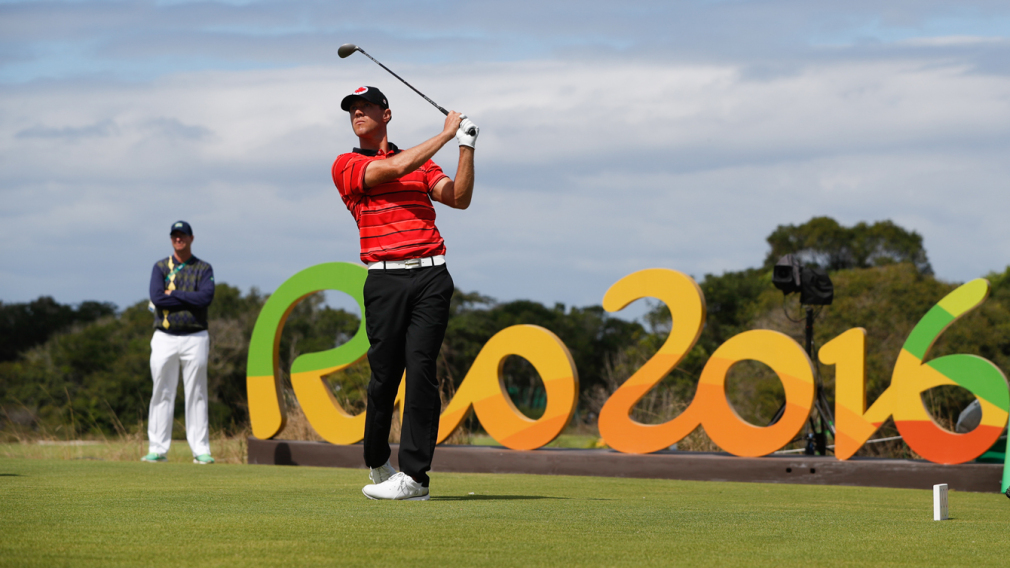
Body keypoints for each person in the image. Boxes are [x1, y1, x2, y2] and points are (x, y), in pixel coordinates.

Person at [331, 86, 478, 500]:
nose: (358, 113)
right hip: (384, 280)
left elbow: (458, 198)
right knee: (383, 380)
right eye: (352, 110)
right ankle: (378, 460)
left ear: (387, 114)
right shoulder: (346, 164)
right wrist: (446, 134)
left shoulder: (424, 164)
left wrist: (465, 147)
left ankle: (415, 478)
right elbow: (389, 171)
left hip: (432, 276)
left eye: (367, 107)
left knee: (421, 373)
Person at [142, 220, 216, 464]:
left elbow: (205, 298)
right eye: (175, 235)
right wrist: (187, 299)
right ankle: (157, 448)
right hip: (164, 336)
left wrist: (173, 294)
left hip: (195, 336)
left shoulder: (203, 268)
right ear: (171, 238)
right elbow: (156, 298)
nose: (178, 239)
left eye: (182, 235)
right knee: (161, 391)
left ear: (191, 238)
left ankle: (200, 450)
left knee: (197, 393)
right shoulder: (161, 267)